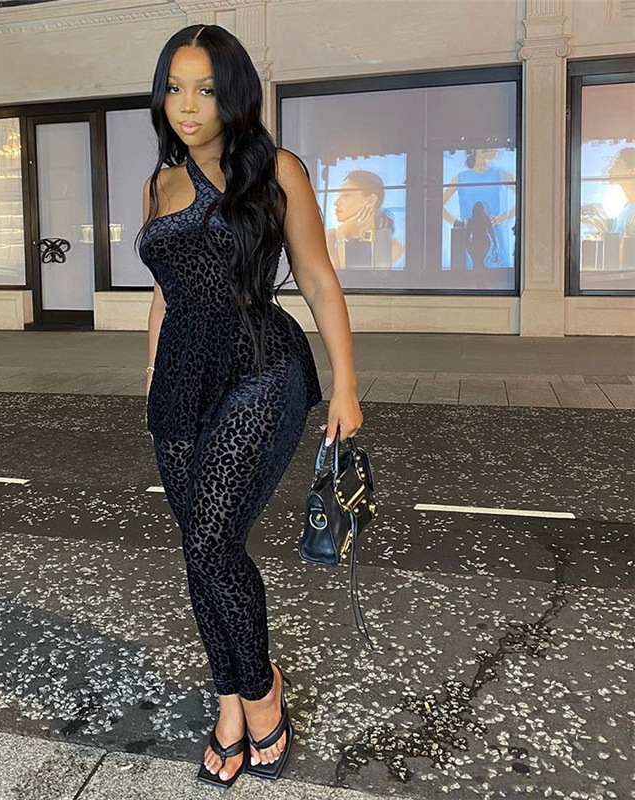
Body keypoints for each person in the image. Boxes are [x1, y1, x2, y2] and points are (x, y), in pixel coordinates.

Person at [134, 23, 363, 787]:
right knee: (201, 551)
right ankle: (229, 697)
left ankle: (263, 692)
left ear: (232, 94)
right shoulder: (158, 184)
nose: (186, 105)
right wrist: (151, 372)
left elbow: (319, 278)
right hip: (180, 380)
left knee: (210, 542)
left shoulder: (275, 169)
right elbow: (163, 296)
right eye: (174, 88)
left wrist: (346, 384)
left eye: (204, 89)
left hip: (260, 364)